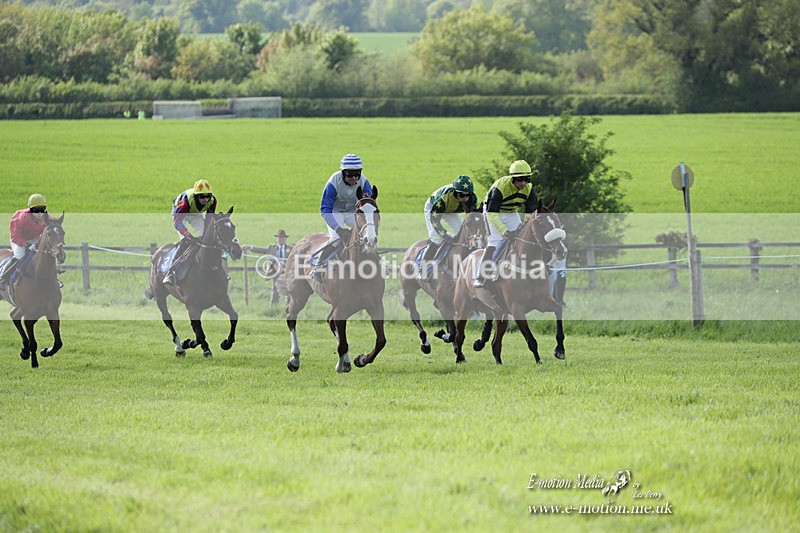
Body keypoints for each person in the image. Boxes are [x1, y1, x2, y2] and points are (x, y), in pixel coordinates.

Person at [473, 160, 538, 288]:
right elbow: (492, 214)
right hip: (492, 213)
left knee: (520, 238)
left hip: (511, 213)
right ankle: (481, 275)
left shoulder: (529, 189)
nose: (523, 183)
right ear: (513, 178)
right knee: (496, 241)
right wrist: (504, 231)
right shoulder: (500, 188)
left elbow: (530, 213)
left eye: (526, 179)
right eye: (520, 180)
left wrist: (524, 226)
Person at [310, 153, 373, 281]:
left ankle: (377, 262)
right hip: (334, 211)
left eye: (357, 174)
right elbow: (325, 209)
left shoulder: (364, 182)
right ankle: (318, 265)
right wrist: (338, 229)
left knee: (368, 233)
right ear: (343, 172)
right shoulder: (333, 182)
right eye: (350, 174)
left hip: (351, 211)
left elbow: (369, 206)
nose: (354, 178)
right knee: (336, 238)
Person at [419, 175, 478, 281]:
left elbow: (471, 217)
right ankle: (422, 268)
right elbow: (435, 220)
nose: (464, 198)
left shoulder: (473, 198)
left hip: (451, 211)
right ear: (455, 192)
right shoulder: (443, 199)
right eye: (460, 195)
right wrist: (445, 235)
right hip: (433, 209)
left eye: (467, 195)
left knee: (462, 235)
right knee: (437, 239)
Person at [163, 179, 217, 285]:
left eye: (207, 196)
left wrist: (206, 232)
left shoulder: (213, 201)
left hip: (195, 214)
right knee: (185, 241)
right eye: (202, 197)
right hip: (180, 213)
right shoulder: (186, 202)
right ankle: (170, 272)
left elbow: (208, 219)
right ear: (196, 196)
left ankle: (214, 267)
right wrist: (188, 235)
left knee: (207, 238)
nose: (205, 199)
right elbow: (177, 222)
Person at [0, 194, 49, 290]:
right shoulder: (20, 218)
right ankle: (3, 278)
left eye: (42, 208)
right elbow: (15, 236)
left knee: (45, 254)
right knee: (19, 255)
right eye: (36, 209)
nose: (40, 212)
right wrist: (26, 244)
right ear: (30, 209)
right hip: (19, 239)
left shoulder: (46, 217)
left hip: (35, 238)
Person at [266, 229, 292, 305]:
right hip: (276, 271)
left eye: (282, 237)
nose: (280, 239)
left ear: (285, 238)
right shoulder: (271, 247)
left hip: (287, 273)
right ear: (276, 239)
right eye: (279, 237)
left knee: (289, 290)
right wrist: (250, 247)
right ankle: (273, 308)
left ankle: (288, 308)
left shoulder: (290, 248)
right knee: (275, 291)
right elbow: (261, 250)